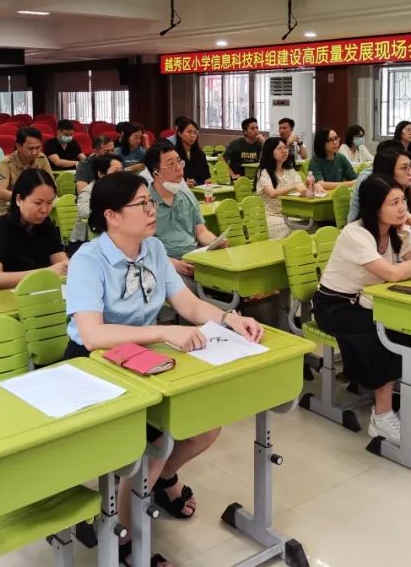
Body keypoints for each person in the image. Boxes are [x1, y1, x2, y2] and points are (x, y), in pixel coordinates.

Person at [64, 172, 262, 566]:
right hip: (98, 365)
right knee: (152, 446)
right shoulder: (88, 259)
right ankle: (123, 541)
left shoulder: (153, 248)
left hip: (151, 357)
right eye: (142, 204)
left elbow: (188, 305)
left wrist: (229, 319)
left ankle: (161, 480)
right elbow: (91, 334)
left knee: (206, 425)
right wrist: (163, 330)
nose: (152, 209)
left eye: (150, 202)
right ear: (112, 216)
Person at [313, 175, 411, 443]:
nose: (401, 209)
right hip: (336, 306)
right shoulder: (355, 233)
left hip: (373, 302)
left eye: (403, 202)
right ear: (375, 207)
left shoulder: (398, 231)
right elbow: (394, 273)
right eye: (394, 203)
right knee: (383, 335)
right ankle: (381, 417)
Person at [146, 142, 226, 287]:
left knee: (227, 281)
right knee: (197, 288)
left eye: (179, 161)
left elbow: (201, 232)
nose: (179, 168)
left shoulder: (187, 197)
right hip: (164, 263)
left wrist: (216, 241)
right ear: (155, 173)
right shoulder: (145, 203)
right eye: (171, 164)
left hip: (194, 257)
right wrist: (172, 263)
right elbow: (142, 247)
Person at [0, 168, 67, 291]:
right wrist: (45, 273)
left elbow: (62, 265)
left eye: (49, 203)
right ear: (19, 199)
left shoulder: (46, 225)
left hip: (36, 295)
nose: (44, 210)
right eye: (38, 203)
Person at [254, 137, 311, 239]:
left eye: (285, 148)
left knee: (311, 225)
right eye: (280, 148)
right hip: (270, 216)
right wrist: (293, 187)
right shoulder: (263, 172)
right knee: (297, 229)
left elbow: (302, 189)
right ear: (270, 152)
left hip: (289, 214)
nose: (284, 151)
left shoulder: (290, 171)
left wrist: (308, 187)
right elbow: (272, 193)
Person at [0, 126, 53, 216]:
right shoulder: (6, 163)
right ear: (18, 146)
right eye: (30, 148)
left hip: (38, 207)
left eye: (38, 148)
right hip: (11, 209)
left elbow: (51, 185)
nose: (34, 152)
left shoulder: (42, 158)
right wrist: (26, 198)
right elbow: (0, 192)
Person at [71, 155, 123, 252]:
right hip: (84, 241)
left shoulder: (120, 190)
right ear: (100, 174)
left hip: (110, 238)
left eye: (121, 171)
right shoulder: (88, 191)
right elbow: (83, 211)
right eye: (116, 171)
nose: (120, 175)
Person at [173, 118, 209, 186]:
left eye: (195, 132)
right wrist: (184, 184)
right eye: (189, 132)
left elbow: (206, 177)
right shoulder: (173, 154)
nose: (192, 135)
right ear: (180, 133)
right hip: (182, 190)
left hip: (201, 190)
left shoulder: (201, 154)